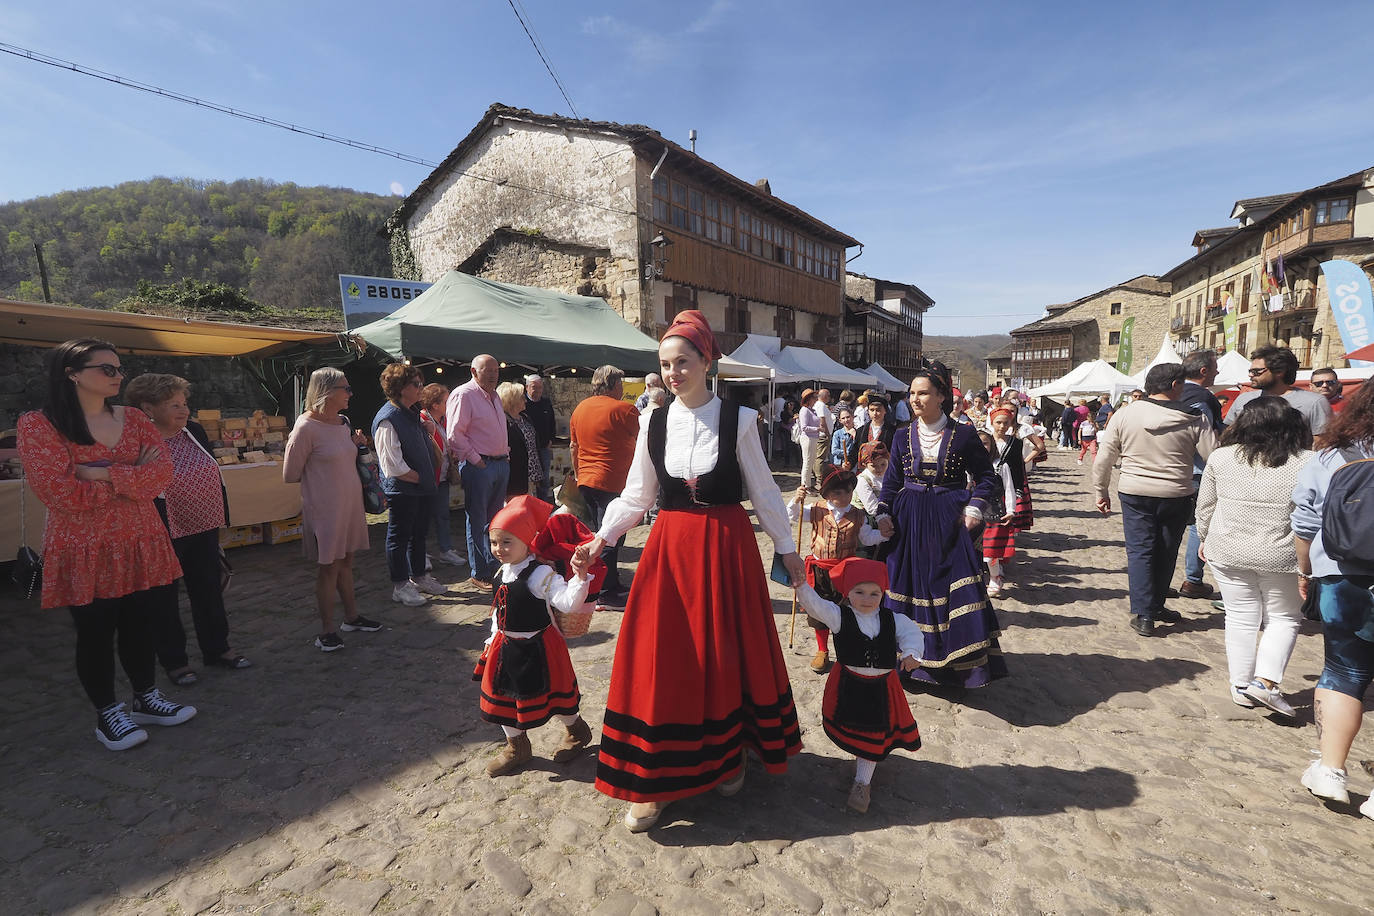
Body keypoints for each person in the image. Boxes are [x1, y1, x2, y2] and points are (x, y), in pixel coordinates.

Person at [572, 309, 804, 832]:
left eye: (683, 362)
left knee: (723, 654)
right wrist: (600, 540)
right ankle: (653, 782)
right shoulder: (652, 420)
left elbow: (766, 492)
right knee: (664, 658)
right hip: (671, 552)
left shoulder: (740, 420)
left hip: (726, 550)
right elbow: (637, 496)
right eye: (665, 364)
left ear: (707, 360)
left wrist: (788, 548)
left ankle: (727, 759)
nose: (674, 373)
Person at [18, 339, 195, 750]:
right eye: (107, 369)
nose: (118, 376)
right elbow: (59, 494)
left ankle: (145, 696)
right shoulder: (39, 425)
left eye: (119, 369)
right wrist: (131, 476)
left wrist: (99, 474)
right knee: (95, 631)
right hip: (85, 544)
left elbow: (161, 475)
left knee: (139, 623)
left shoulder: (133, 418)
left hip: (139, 538)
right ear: (72, 373)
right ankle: (107, 712)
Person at [876, 364, 1007, 688]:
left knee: (948, 589)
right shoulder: (902, 434)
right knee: (904, 588)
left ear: (941, 397)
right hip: (908, 522)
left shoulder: (962, 434)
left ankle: (953, 667)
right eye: (912, 393)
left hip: (948, 522)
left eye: (922, 393)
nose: (915, 398)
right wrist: (882, 513)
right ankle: (906, 664)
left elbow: (987, 477)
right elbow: (892, 481)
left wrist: (975, 508)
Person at [124, 373, 248, 685]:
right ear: (147, 407)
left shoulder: (193, 430)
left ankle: (217, 648)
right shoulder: (135, 439)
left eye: (185, 403)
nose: (184, 410)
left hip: (202, 523)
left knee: (207, 588)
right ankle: (174, 661)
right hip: (161, 527)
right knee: (163, 597)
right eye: (173, 404)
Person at [1195, 397, 1313, 716]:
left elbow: (1205, 505)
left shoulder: (1221, 457)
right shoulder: (1307, 462)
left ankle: (1240, 685)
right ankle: (1265, 683)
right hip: (1282, 553)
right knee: (1284, 617)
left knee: (1239, 615)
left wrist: (1204, 537)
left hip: (1227, 548)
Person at [1291, 379, 1374, 812]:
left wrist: (1305, 570)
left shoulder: (1331, 455)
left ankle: (1331, 770)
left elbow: (1305, 520)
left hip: (1344, 576)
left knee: (1343, 673)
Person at [1092, 364, 1217, 636]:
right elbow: (1214, 457)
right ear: (1174, 385)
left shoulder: (1125, 414)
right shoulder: (1195, 417)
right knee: (1167, 550)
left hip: (1135, 491)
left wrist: (1101, 491)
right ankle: (1155, 605)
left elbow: (1104, 457)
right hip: (1176, 492)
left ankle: (1145, 613)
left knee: (1141, 551)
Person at [473, 495, 594, 777]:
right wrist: (493, 637)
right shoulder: (502, 572)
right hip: (505, 646)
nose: (499, 549)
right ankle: (517, 748)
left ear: (527, 541)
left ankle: (577, 731)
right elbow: (498, 609)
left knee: (556, 697)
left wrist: (579, 577)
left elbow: (566, 603)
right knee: (502, 699)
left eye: (506, 542)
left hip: (539, 648)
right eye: (494, 542)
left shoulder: (539, 574)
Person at [796, 558, 923, 813]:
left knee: (873, 736)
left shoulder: (893, 619)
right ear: (847, 592)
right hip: (849, 686)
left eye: (874, 593)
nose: (867, 598)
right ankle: (861, 772)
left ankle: (862, 782)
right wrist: (800, 584)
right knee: (857, 731)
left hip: (881, 689)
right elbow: (815, 605)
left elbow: (912, 633)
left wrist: (911, 653)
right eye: (860, 592)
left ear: (883, 592)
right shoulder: (839, 616)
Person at [283, 368, 380, 652]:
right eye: (345, 388)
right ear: (326, 391)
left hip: (349, 504)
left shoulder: (343, 422)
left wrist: (355, 446)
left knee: (346, 562)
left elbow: (343, 458)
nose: (350, 393)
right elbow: (290, 473)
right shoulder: (306, 427)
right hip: (324, 507)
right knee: (328, 568)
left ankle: (351, 617)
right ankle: (327, 629)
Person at [788, 467, 888, 674]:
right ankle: (822, 651)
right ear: (827, 495)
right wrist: (796, 500)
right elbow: (791, 515)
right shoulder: (816, 509)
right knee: (818, 611)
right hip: (819, 571)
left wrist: (884, 535)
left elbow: (867, 538)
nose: (845, 497)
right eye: (838, 493)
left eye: (849, 492)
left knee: (846, 612)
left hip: (845, 573)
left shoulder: (858, 516)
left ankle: (847, 651)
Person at [373, 363, 446, 608]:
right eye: (416, 384)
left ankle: (419, 576)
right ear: (401, 388)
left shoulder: (411, 413)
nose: (421, 388)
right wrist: (419, 478)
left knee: (419, 535)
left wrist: (428, 429)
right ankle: (400, 585)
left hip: (419, 488)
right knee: (399, 536)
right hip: (404, 490)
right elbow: (392, 465)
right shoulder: (389, 418)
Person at [569, 365, 640, 608]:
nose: (622, 388)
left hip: (587, 480)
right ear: (612, 385)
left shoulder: (580, 408)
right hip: (612, 480)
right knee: (610, 536)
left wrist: (579, 475)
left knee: (598, 533)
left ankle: (609, 582)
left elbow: (573, 447)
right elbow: (644, 442)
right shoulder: (625, 410)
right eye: (620, 384)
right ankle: (605, 592)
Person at [447, 354, 510, 591]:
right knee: (477, 521)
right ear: (474, 372)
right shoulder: (464, 394)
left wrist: (505, 455)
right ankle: (480, 572)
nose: (494, 374)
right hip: (480, 466)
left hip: (499, 463)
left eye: (496, 369)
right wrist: (477, 460)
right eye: (488, 370)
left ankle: (494, 566)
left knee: (495, 521)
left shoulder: (495, 396)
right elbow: (455, 435)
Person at [1179, 351, 1224, 601]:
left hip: (1171, 469)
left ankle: (1162, 582)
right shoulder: (1202, 398)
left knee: (1171, 527)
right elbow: (1206, 438)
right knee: (1199, 525)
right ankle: (1193, 579)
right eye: (1215, 368)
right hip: (1198, 470)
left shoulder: (1169, 393)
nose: (1218, 372)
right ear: (1204, 371)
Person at [1227, 345, 1333, 438]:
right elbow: (1229, 434)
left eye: (1256, 371)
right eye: (1250, 371)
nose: (1250, 375)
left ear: (1279, 371)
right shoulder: (1244, 399)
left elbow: (1321, 445)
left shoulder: (1314, 402)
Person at [982, 406, 1032, 597]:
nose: (1002, 426)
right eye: (998, 422)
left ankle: (996, 570)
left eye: (1006, 422)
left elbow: (1016, 471)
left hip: (1001, 494)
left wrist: (1017, 497)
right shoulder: (983, 441)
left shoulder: (1015, 443)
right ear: (992, 423)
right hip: (982, 496)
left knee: (995, 538)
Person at [419, 383, 467, 569]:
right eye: (446, 401)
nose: (451, 404)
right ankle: (420, 553)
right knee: (421, 518)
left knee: (442, 515)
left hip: (443, 476)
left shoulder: (444, 420)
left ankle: (445, 550)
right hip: (429, 477)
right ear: (435, 404)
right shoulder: (422, 419)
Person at [500, 381, 543, 499]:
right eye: (522, 398)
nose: (525, 400)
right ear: (512, 400)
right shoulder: (503, 421)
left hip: (530, 475)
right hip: (514, 476)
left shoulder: (525, 417)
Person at [524, 374, 557, 502]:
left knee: (544, 480)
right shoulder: (523, 404)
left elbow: (552, 422)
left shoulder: (546, 403)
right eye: (534, 387)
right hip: (527, 450)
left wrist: (551, 440)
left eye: (540, 387)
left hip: (543, 448)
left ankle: (542, 505)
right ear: (527, 387)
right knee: (528, 481)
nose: (537, 390)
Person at [845, 395, 896, 468]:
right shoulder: (861, 430)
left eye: (878, 410)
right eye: (872, 410)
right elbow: (855, 451)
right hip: (865, 470)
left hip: (885, 470)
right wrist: (849, 463)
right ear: (868, 411)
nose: (875, 413)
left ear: (885, 411)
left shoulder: (892, 431)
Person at [853, 441, 889, 520]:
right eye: (874, 466)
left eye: (883, 464)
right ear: (865, 464)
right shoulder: (863, 480)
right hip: (867, 521)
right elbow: (872, 509)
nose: (879, 469)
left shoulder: (888, 475)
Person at [797, 389, 822, 491]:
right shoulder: (804, 410)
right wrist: (818, 429)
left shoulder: (811, 410)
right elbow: (804, 427)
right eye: (814, 397)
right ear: (809, 399)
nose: (816, 399)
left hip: (813, 438)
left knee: (810, 462)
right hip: (808, 438)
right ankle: (805, 485)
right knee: (807, 462)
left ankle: (807, 484)